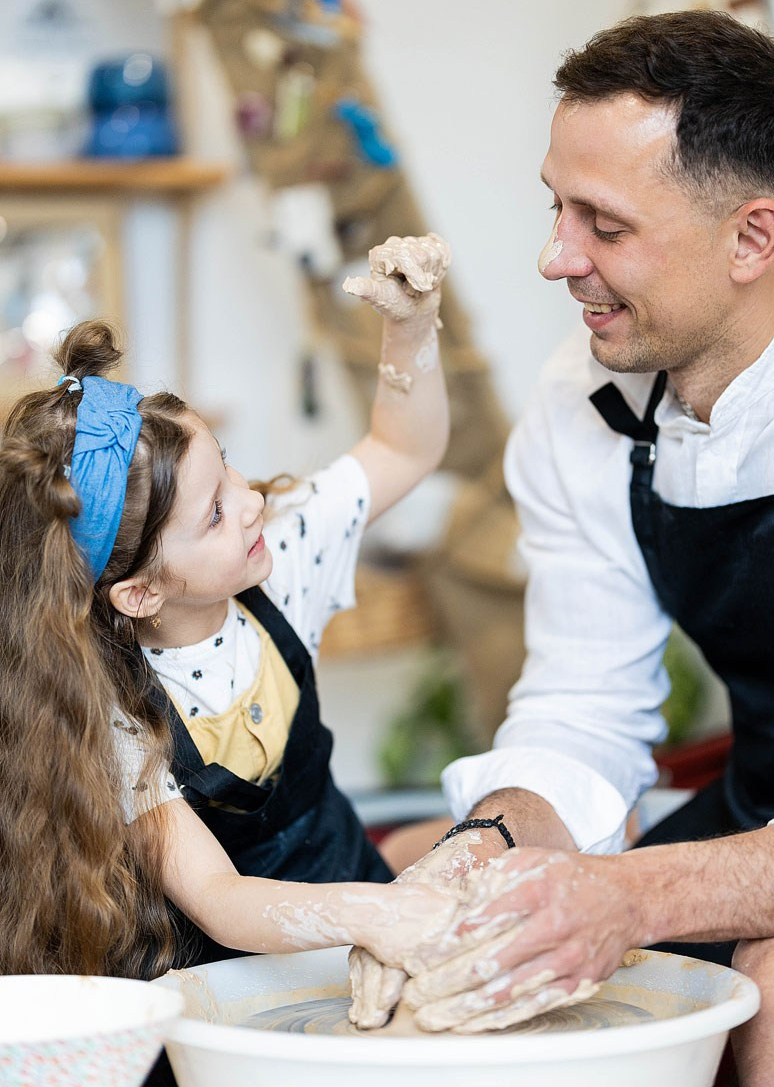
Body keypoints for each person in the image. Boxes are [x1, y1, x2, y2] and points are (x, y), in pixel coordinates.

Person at [348, 12, 774, 1085]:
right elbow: (583, 703)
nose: (555, 258)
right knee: (443, 891)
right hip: (760, 806)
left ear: (750, 238)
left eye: (602, 223)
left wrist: (630, 896)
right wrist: (489, 850)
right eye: (556, 207)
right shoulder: (581, 398)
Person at [0, 232, 466, 994]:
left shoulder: (281, 561)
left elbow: (404, 450)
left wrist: (410, 327)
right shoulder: (112, 712)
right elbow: (221, 901)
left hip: (366, 904)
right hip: (241, 992)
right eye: (215, 513)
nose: (253, 502)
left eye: (231, 467)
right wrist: (378, 917)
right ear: (140, 593)